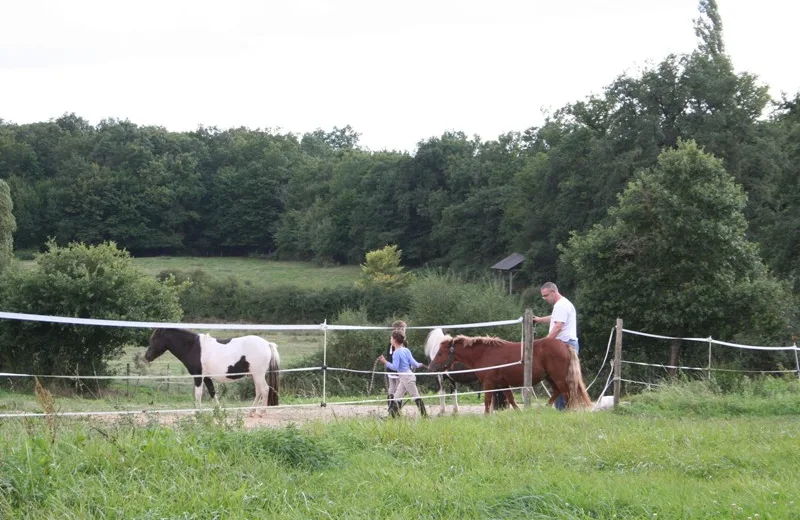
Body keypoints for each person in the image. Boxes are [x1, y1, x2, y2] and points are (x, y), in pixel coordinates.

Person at [533, 282, 579, 410]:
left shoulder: (561, 305)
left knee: (560, 380)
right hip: (568, 343)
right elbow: (554, 318)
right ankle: (566, 408)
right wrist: (539, 319)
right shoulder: (563, 304)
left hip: (564, 344)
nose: (545, 299)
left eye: (546, 295)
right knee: (562, 379)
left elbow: (558, 326)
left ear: (553, 292)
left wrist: (544, 343)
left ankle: (563, 409)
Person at [379, 330, 428, 418]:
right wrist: (421, 365)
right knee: (397, 397)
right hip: (407, 377)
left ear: (394, 340)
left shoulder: (396, 353)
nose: (390, 340)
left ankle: (425, 416)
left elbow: (395, 367)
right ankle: (392, 416)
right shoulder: (406, 350)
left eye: (391, 338)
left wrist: (385, 362)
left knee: (416, 396)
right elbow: (415, 364)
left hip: (406, 378)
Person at [383, 320, 407, 417]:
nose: (404, 331)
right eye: (403, 329)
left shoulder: (392, 342)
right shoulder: (401, 343)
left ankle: (392, 410)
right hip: (397, 370)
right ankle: (395, 411)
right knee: (398, 390)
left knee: (392, 389)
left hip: (391, 369)